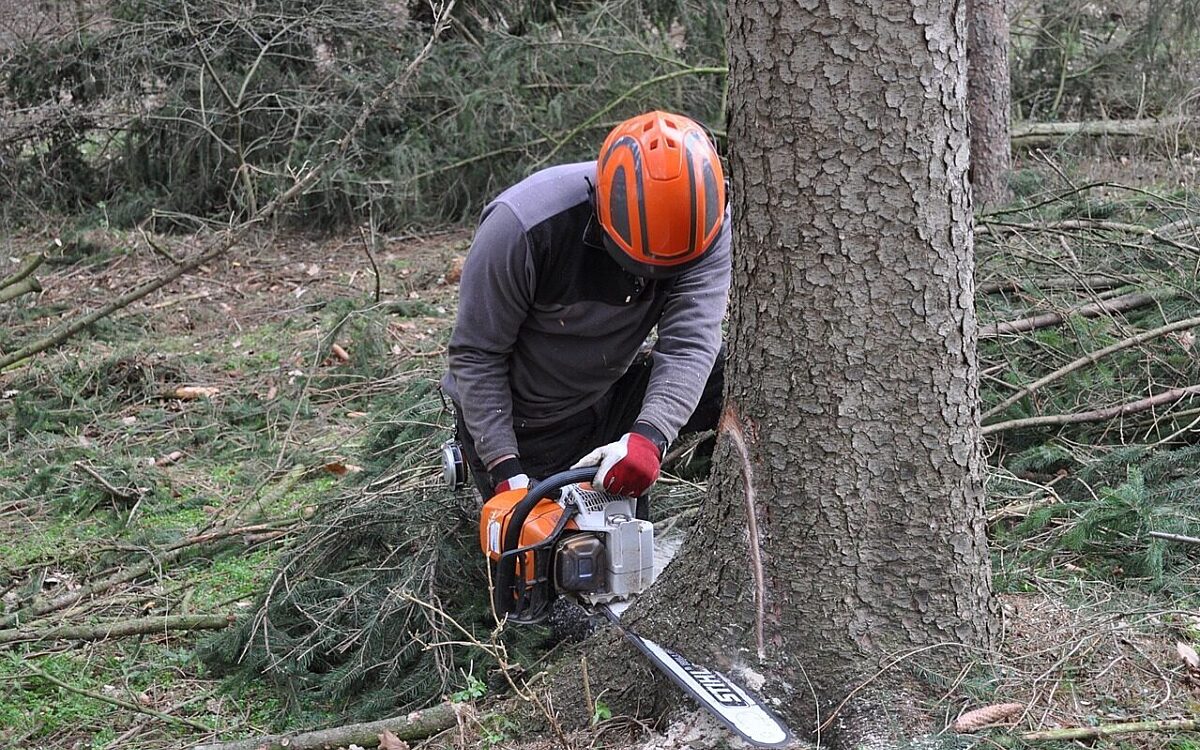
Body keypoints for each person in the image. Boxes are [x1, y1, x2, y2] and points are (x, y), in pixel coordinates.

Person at [441, 110, 730, 502]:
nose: (649, 280)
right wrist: (505, 468)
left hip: (609, 387)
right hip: (525, 418)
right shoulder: (524, 227)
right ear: (602, 211)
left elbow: (690, 341)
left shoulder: (707, 222)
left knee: (736, 374)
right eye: (638, 265)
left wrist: (650, 436)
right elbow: (477, 354)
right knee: (561, 550)